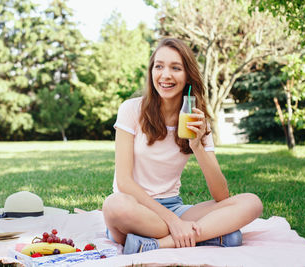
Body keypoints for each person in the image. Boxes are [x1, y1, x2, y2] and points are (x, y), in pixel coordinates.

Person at [102, 38, 263, 254]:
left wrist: (197, 145)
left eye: (175, 68)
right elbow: (124, 182)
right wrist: (174, 223)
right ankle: (204, 236)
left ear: (188, 75)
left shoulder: (196, 120)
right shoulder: (131, 110)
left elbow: (222, 196)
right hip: (136, 209)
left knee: (251, 202)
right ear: (151, 72)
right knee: (114, 205)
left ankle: (156, 244)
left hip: (174, 206)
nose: (165, 75)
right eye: (159, 66)